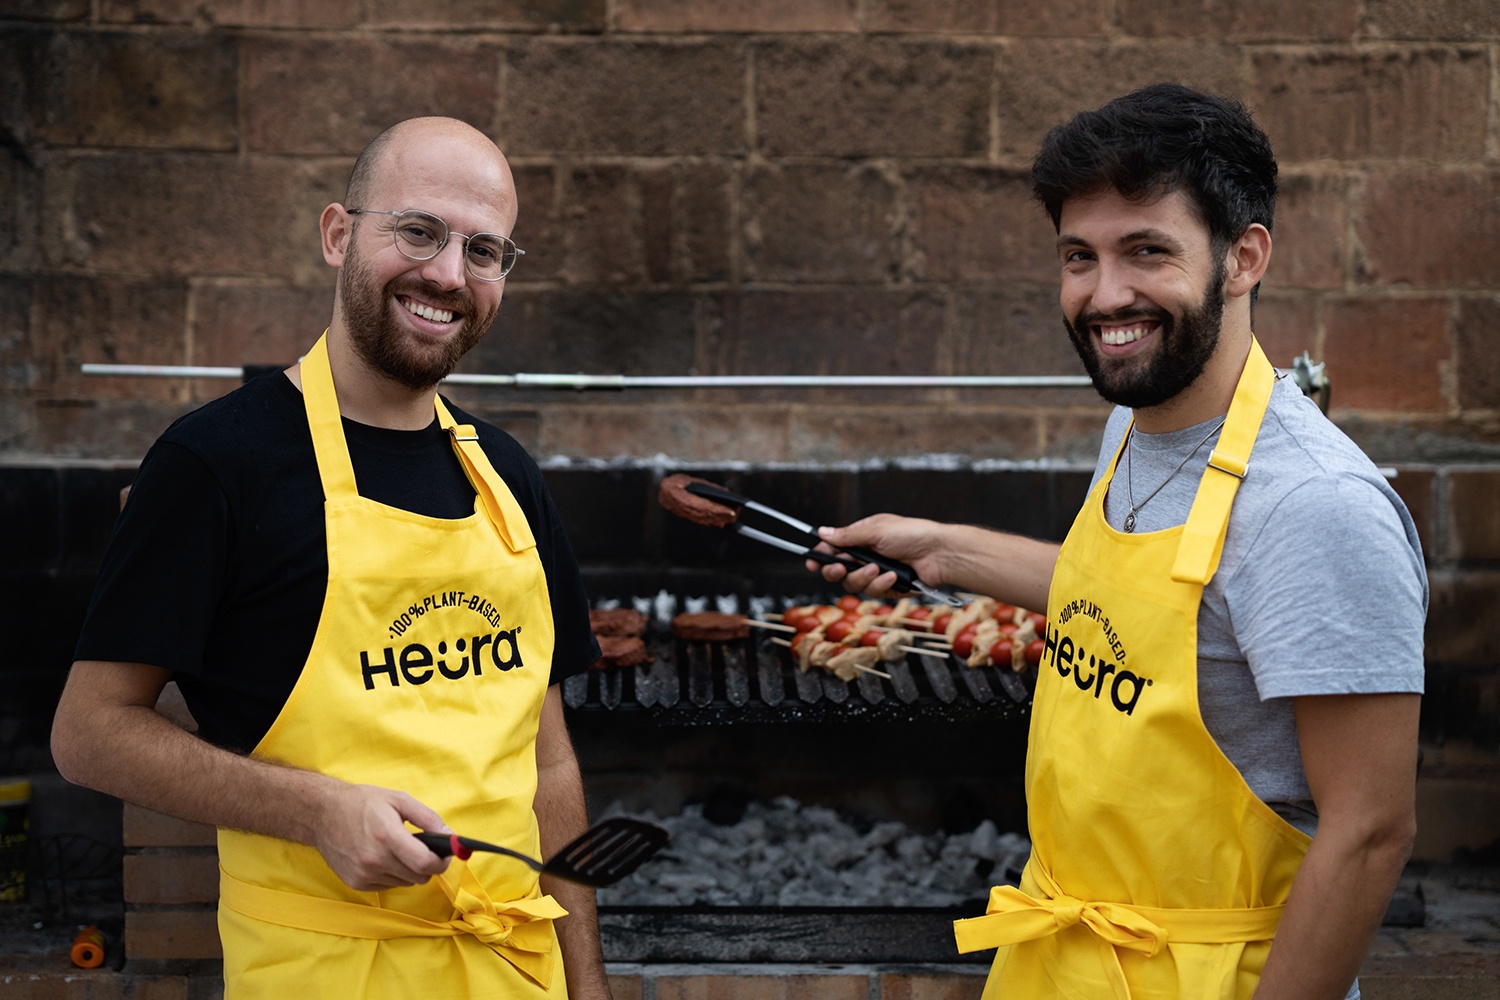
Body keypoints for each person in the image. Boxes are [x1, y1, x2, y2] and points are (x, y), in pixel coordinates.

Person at [813, 83, 1426, 1000]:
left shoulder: (1316, 506)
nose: (1105, 296)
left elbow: (1371, 831)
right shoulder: (1141, 422)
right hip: (1067, 957)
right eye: (1078, 256)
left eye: (1147, 251)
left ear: (1243, 258)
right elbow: (1147, 609)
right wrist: (944, 550)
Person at [51, 117, 611, 999]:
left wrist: (587, 988)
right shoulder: (216, 465)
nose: (448, 275)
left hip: (514, 971)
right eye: (418, 231)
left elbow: (549, 764)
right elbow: (88, 735)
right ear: (338, 234)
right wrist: (316, 810)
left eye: (485, 250)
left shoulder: (506, 475)